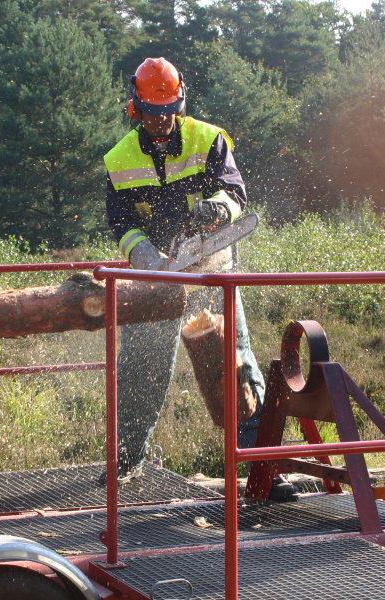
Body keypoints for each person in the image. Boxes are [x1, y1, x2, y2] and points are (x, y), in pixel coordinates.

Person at [103, 57, 297, 500]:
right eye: (153, 112)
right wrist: (146, 256)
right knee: (141, 371)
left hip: (211, 272)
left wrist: (216, 209)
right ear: (136, 108)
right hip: (158, 279)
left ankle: (263, 469)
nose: (162, 120)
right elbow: (121, 223)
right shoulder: (118, 159)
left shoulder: (207, 139)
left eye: (168, 110)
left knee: (237, 364)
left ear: (180, 102)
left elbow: (235, 192)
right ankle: (127, 462)